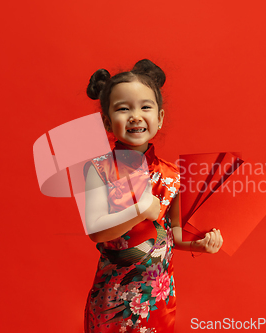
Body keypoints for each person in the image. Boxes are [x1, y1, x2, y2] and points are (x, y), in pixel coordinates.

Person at [83, 59, 223, 332]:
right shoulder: (100, 169)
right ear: (107, 122)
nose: (135, 116)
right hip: (112, 296)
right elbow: (96, 230)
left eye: (145, 107)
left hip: (157, 297)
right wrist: (138, 210)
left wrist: (200, 245)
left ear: (159, 117)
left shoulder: (173, 175)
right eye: (123, 109)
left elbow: (173, 233)